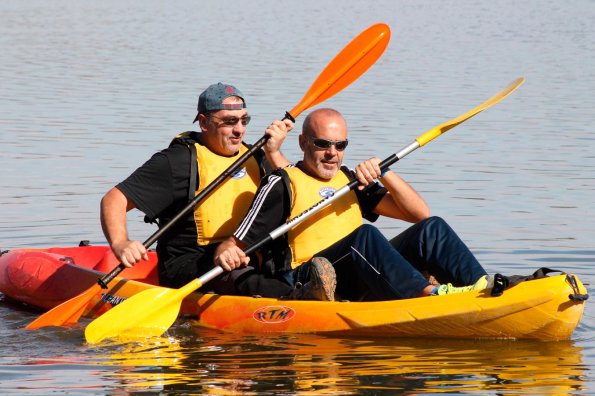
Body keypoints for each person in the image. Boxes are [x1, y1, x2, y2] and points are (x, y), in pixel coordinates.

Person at [214, 108, 489, 302]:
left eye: (340, 144)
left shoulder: (350, 180)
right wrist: (226, 253)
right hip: (308, 277)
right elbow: (235, 243)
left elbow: (418, 213)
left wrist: (385, 172)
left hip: (358, 268)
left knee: (432, 229)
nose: (332, 153)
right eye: (322, 144)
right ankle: (428, 296)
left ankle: (484, 288)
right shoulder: (281, 183)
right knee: (364, 235)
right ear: (303, 142)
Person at [100, 82, 295, 295]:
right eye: (230, 122)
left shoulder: (256, 156)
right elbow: (114, 199)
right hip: (190, 264)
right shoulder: (177, 161)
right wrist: (120, 242)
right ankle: (295, 298)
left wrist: (274, 152)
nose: (239, 129)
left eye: (244, 120)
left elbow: (297, 190)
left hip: (245, 256)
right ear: (204, 122)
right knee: (238, 273)